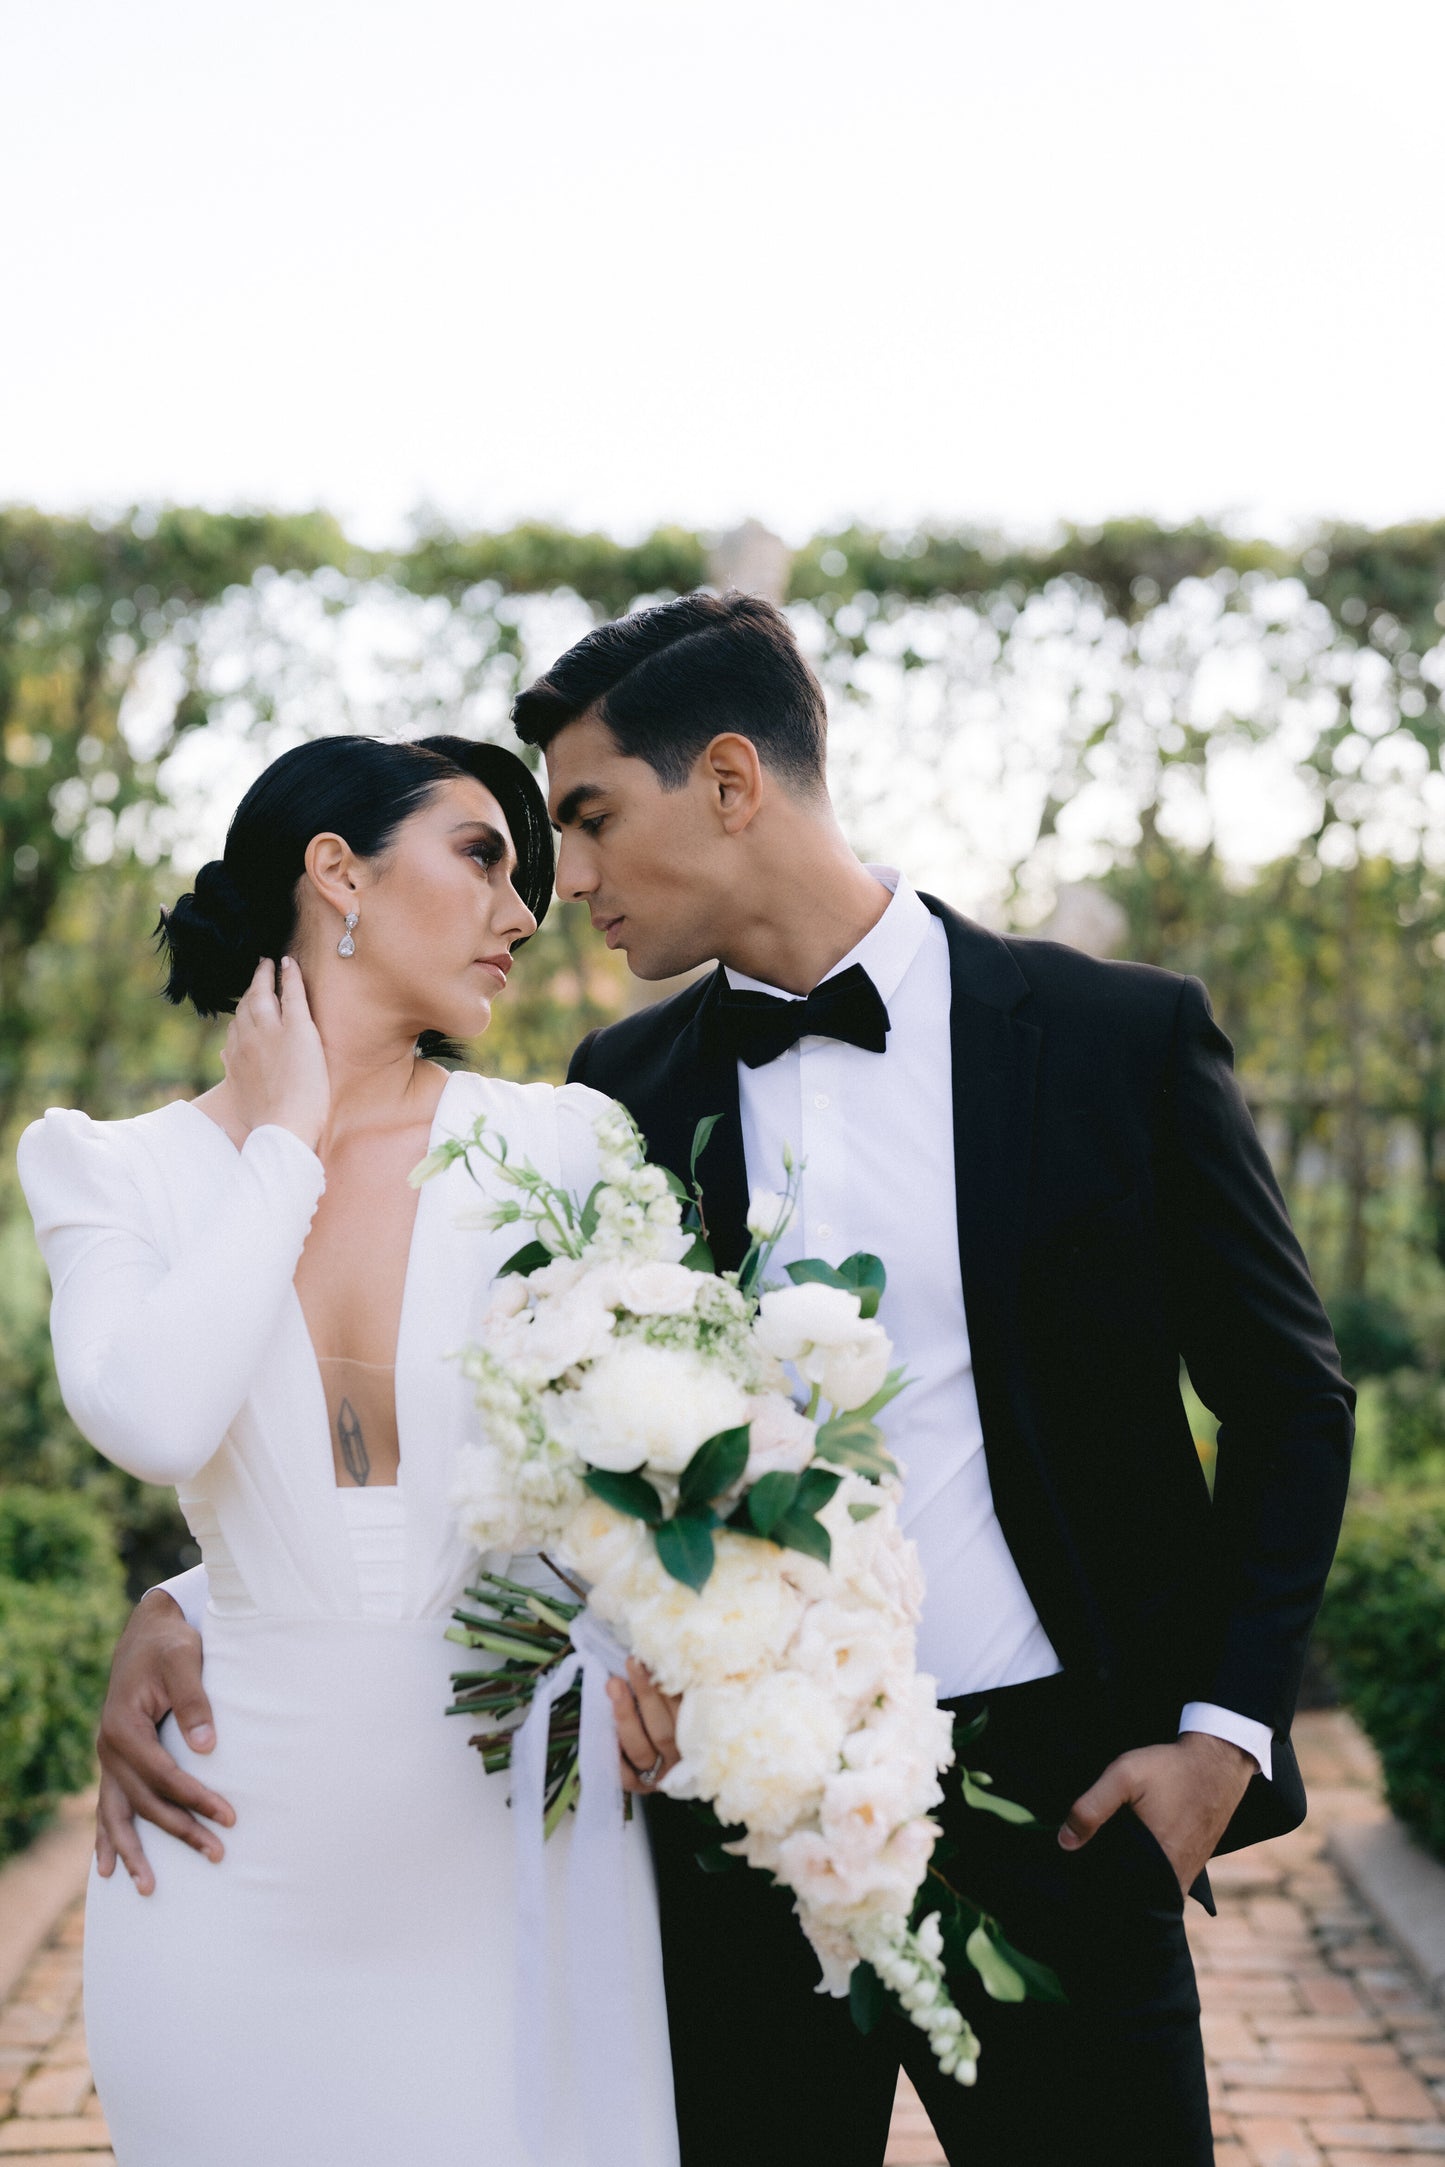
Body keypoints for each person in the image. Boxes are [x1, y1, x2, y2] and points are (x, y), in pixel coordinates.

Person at [96, 595, 1355, 2166]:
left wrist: (1219, 1739)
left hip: (1073, 1807)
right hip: (716, 1825)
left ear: (735, 782)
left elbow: (1289, 1400)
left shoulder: (1118, 1039)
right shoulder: (613, 1102)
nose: (569, 889)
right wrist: (194, 1603)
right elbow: (481, 1439)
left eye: (591, 821)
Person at [17, 733, 679, 2167]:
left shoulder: (565, 1149)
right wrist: (286, 1145)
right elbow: (153, 1420)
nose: (522, 910)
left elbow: (654, 1474)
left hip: (509, 1829)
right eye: (483, 856)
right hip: (230, 1832)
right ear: (338, 875)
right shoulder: (110, 1168)